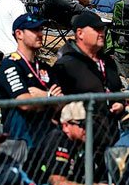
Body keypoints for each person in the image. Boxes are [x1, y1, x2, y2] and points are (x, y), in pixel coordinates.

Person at [53, 11, 124, 146]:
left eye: (102, 29)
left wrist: (120, 104)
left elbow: (117, 91)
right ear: (80, 33)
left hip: (110, 135)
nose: (101, 33)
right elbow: (57, 104)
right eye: (96, 29)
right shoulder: (66, 64)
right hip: (80, 140)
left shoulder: (108, 62)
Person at [0, 13, 62, 146]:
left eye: (41, 29)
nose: (40, 34)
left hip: (47, 138)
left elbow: (61, 102)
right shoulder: (10, 64)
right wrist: (49, 97)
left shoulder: (44, 67)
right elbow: (24, 102)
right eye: (34, 30)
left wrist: (43, 96)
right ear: (19, 34)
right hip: (20, 140)